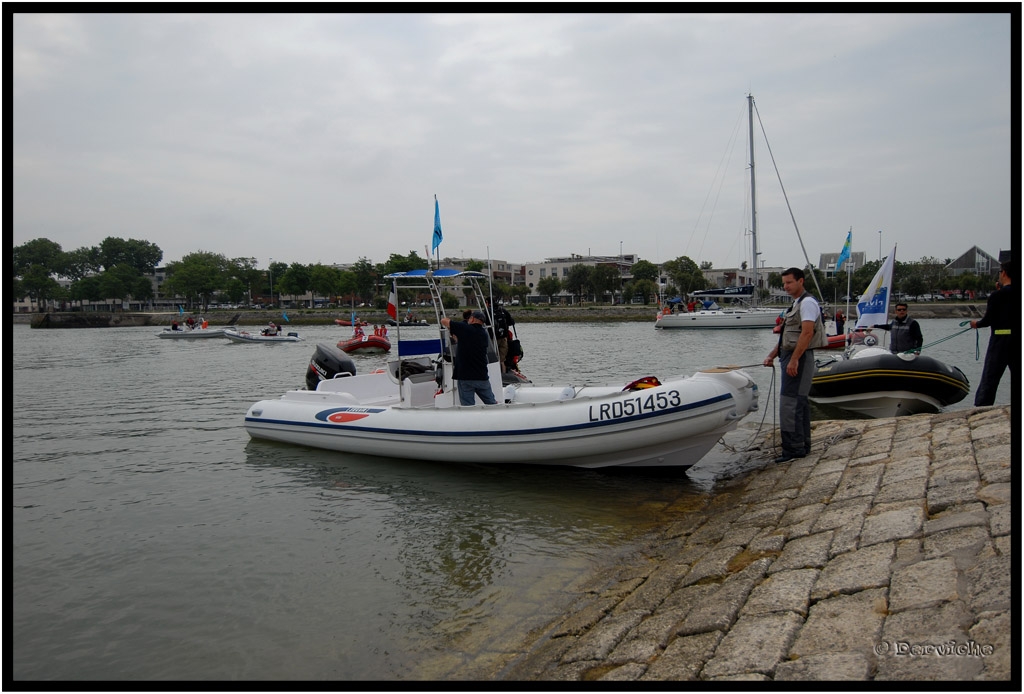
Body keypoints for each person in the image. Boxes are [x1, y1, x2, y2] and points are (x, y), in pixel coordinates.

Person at [763, 267, 828, 463]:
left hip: (799, 358)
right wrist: (772, 355)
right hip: (790, 356)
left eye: (789, 282)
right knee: (796, 402)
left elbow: (806, 334)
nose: (786, 287)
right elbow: (787, 336)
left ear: (801, 281)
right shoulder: (796, 304)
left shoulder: (807, 303)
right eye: (784, 283)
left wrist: (794, 360)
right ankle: (802, 445)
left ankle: (793, 449)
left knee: (790, 403)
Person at [970, 261, 1013, 406]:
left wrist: (976, 324)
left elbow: (989, 319)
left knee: (991, 375)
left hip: (1001, 340)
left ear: (1004, 273)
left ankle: (982, 406)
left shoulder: (997, 295)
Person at [440, 311, 497, 406]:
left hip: (465, 376)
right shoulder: (484, 334)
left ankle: (470, 420)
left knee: (468, 407)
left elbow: (444, 321)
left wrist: (453, 323)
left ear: (473, 319)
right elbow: (470, 342)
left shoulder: (464, 328)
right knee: (492, 403)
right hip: (482, 376)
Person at [486, 298, 516, 373]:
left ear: (487, 303)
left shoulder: (487, 311)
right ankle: (503, 374)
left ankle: (493, 374)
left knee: (492, 359)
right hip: (504, 338)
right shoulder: (503, 310)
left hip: (493, 338)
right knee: (502, 360)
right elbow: (511, 322)